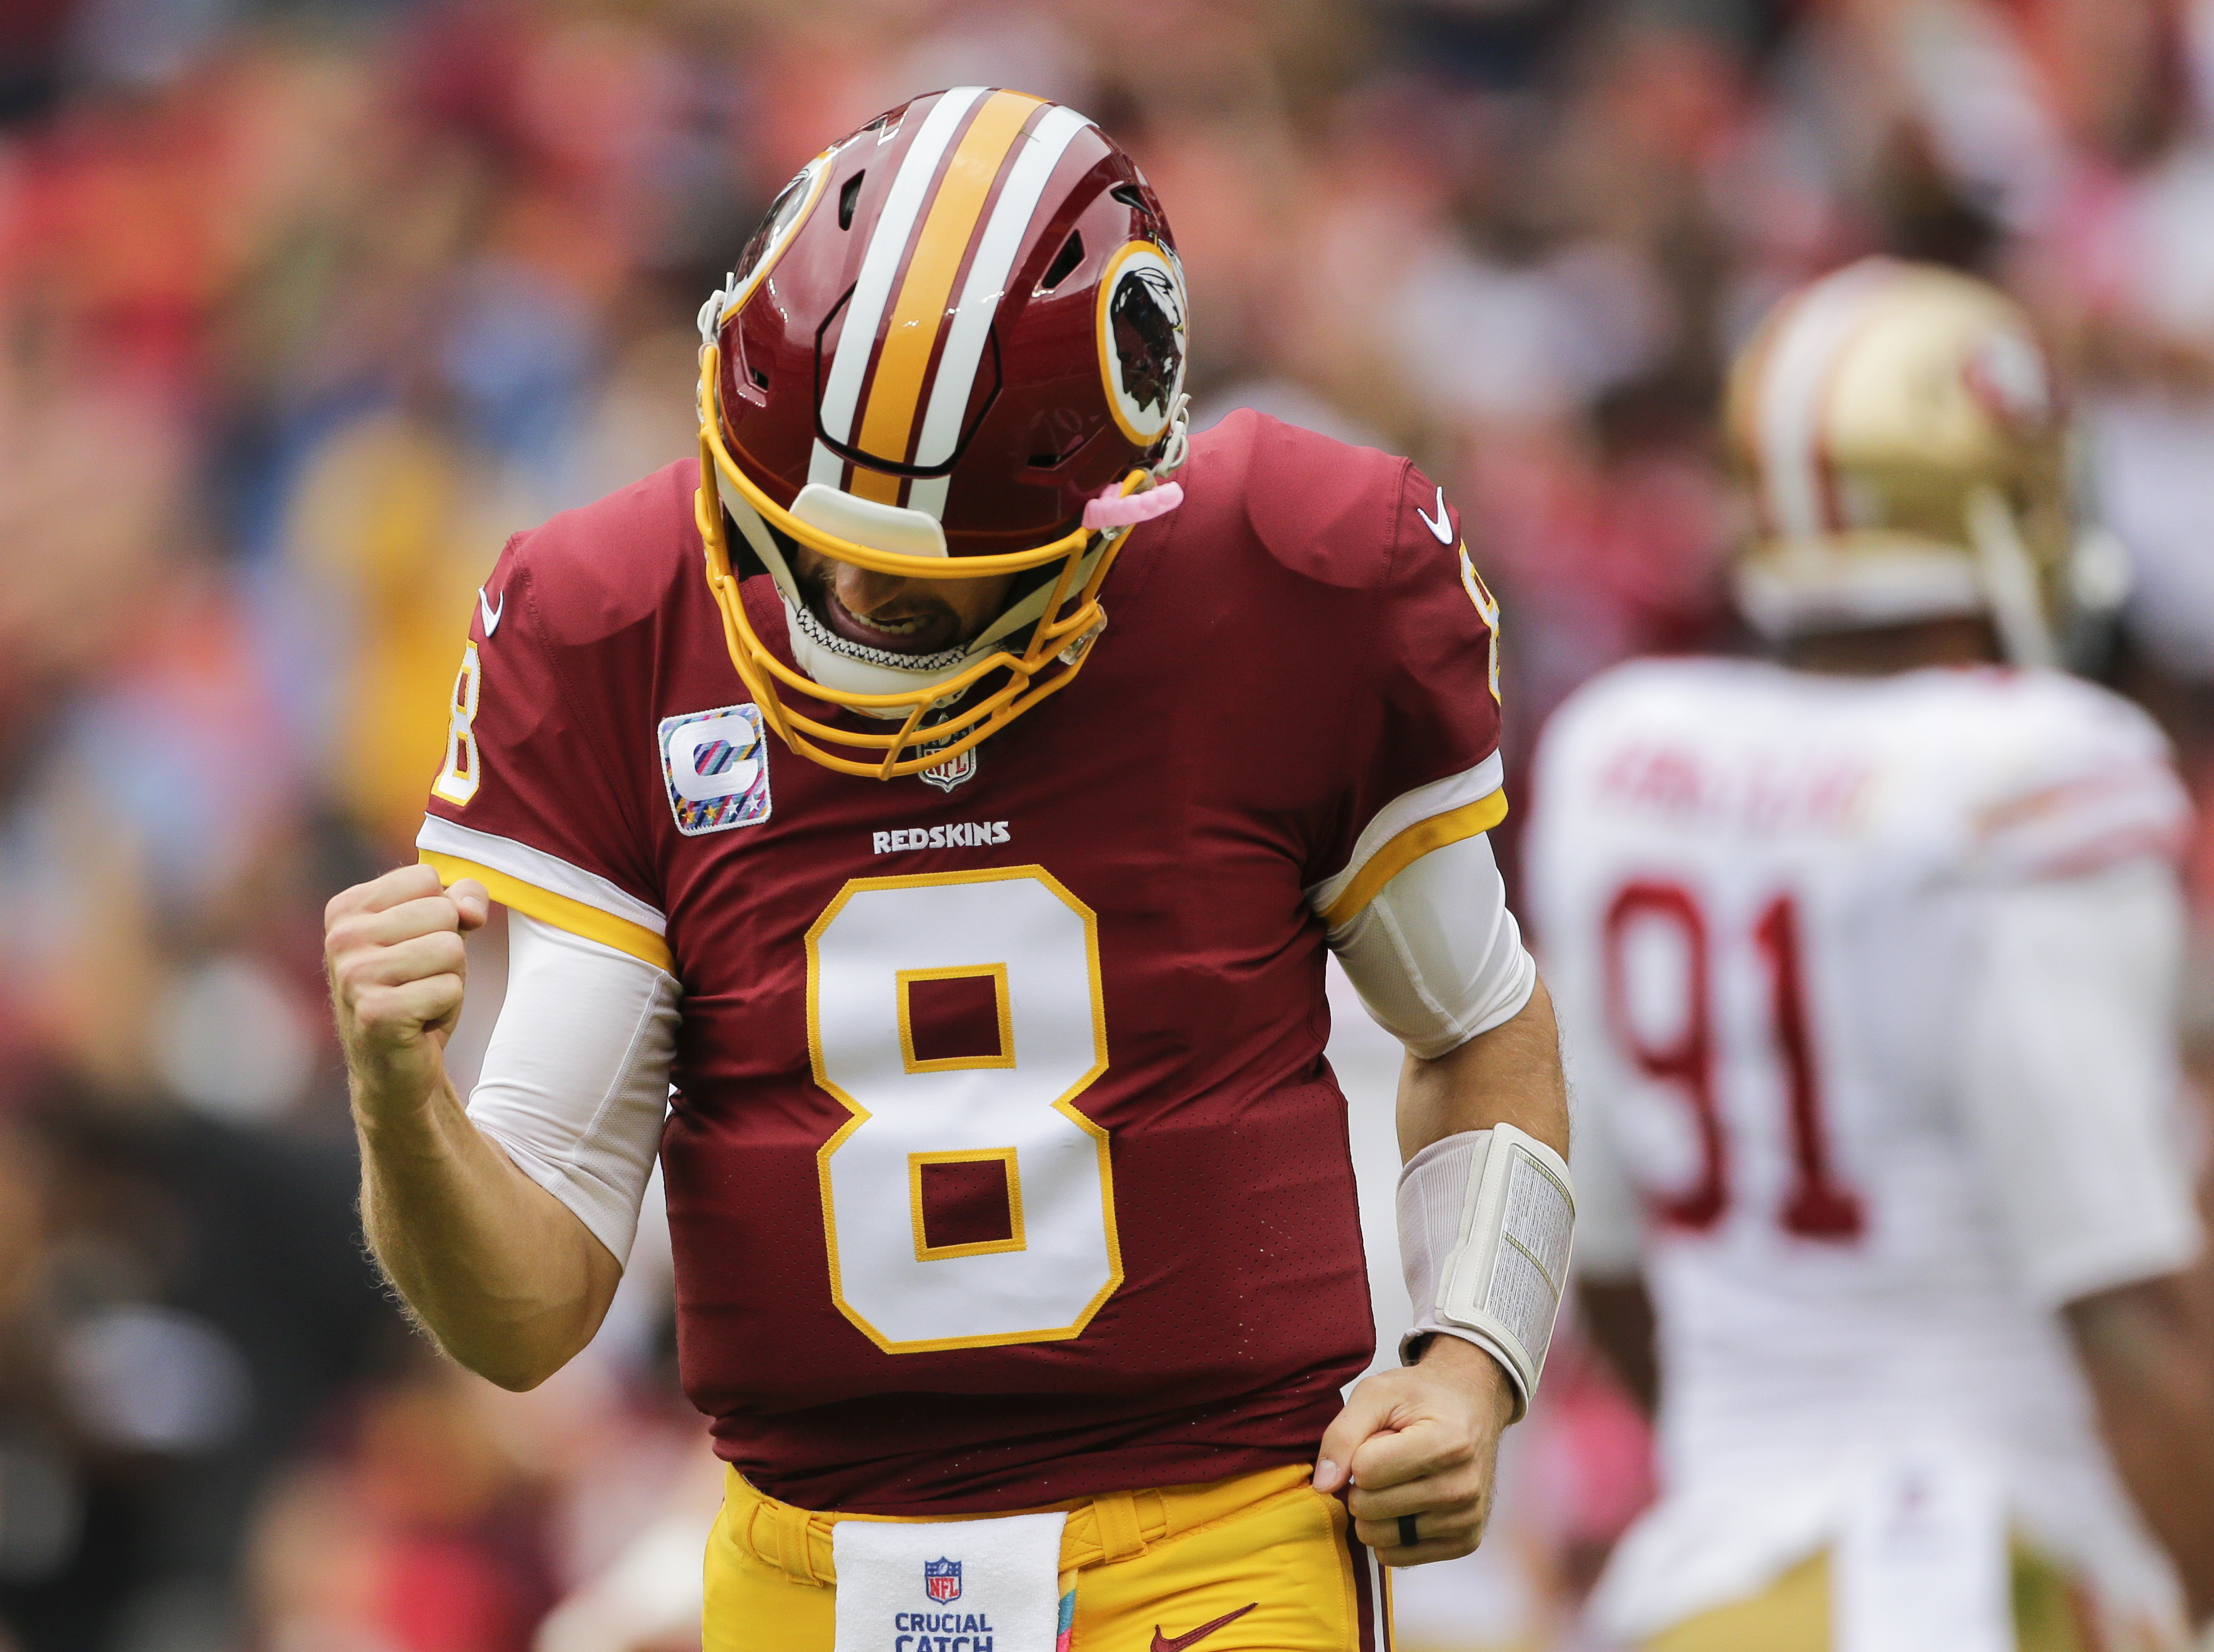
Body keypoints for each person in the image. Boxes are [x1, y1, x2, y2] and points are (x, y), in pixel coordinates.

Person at [320, 88, 1575, 1652]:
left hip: (1214, 1543)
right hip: (803, 1563)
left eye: (927, 581)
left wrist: (1469, 1358)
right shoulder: (611, 619)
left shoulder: (1293, 574)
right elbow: (525, 1315)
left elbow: (1471, 1028)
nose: (851, 592)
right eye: (805, 537)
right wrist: (400, 1103)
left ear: (1116, 502)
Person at [1527, 259, 2214, 1652]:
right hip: (1980, 1575)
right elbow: (2125, 1309)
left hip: (1705, 1592)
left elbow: (1610, 1260)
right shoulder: (2037, 774)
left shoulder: (1621, 758)